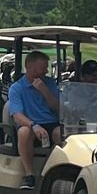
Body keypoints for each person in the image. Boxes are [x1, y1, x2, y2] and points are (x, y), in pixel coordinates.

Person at [6, 48, 62, 185]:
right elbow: (17, 115)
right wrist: (33, 125)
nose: (46, 71)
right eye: (43, 68)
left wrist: (45, 91)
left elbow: (58, 108)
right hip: (31, 125)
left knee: (62, 133)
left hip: (51, 124)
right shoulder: (17, 88)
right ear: (29, 67)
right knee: (24, 132)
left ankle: (61, 169)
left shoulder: (49, 83)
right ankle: (29, 175)